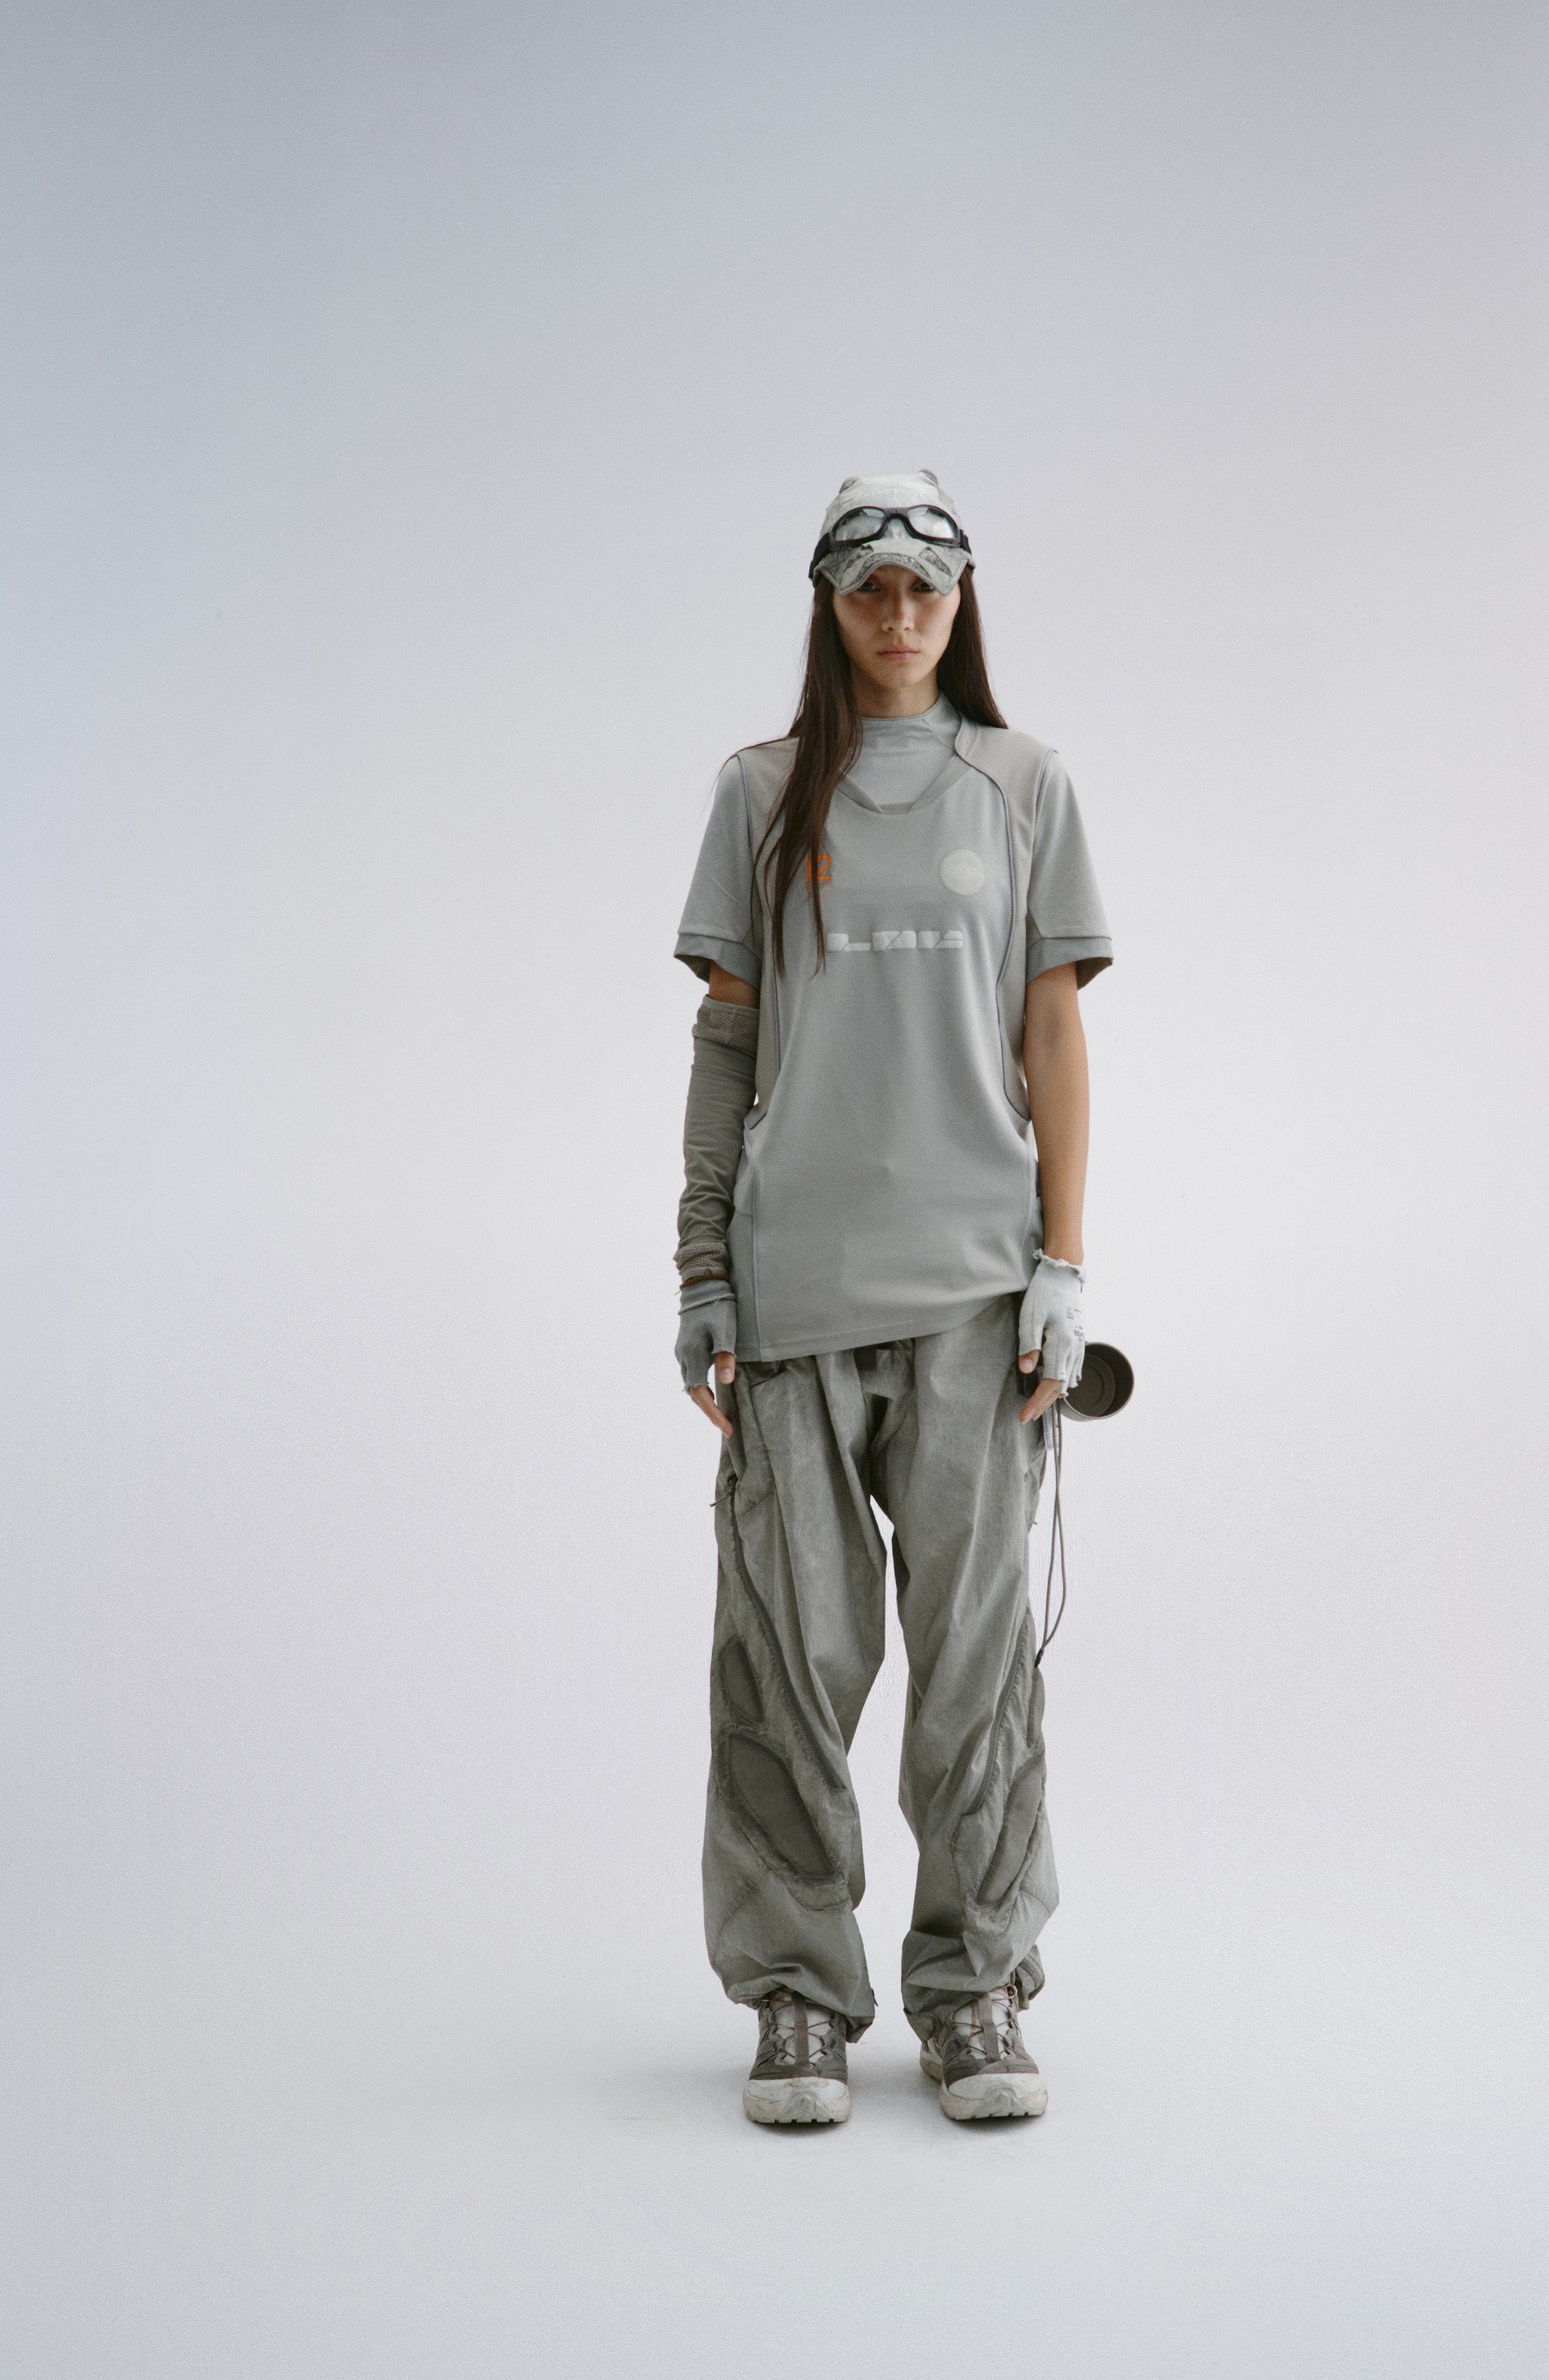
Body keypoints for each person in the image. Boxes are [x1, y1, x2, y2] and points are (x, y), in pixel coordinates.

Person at [671, 471, 1112, 2125]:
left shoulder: (1024, 784)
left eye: (926, 583)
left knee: (977, 1664)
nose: (900, 610)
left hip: (974, 1298)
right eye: (869, 584)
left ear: (961, 596)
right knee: (787, 1663)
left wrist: (1062, 1265)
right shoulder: (760, 790)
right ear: (828, 601)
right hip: (793, 1290)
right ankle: (796, 1994)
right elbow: (726, 1039)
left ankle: (974, 1985)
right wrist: (700, 1268)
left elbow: (1052, 1032)